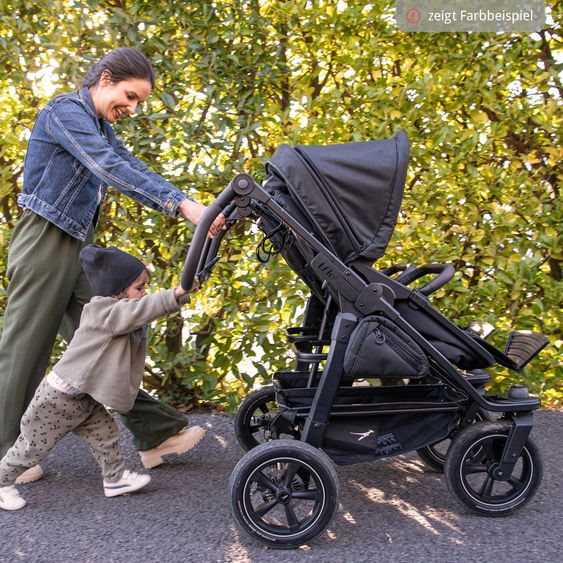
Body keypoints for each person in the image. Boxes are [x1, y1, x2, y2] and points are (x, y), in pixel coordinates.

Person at [0, 47, 224, 483]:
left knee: (112, 335)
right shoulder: (65, 111)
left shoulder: (99, 123)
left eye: (139, 101)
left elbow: (127, 163)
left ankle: (155, 433)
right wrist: (182, 206)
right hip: (44, 239)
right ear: (104, 79)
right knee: (24, 348)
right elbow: (106, 166)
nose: (133, 108)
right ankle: (5, 453)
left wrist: (190, 203)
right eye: (130, 95)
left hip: (76, 243)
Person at [0, 245, 202, 510]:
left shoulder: (115, 311)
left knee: (106, 434)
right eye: (139, 288)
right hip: (58, 401)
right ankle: (2, 482)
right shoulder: (107, 313)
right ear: (117, 292)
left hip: (81, 398)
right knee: (33, 448)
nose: (144, 294)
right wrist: (177, 293)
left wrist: (185, 293)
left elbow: (141, 312)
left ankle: (115, 479)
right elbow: (142, 311)